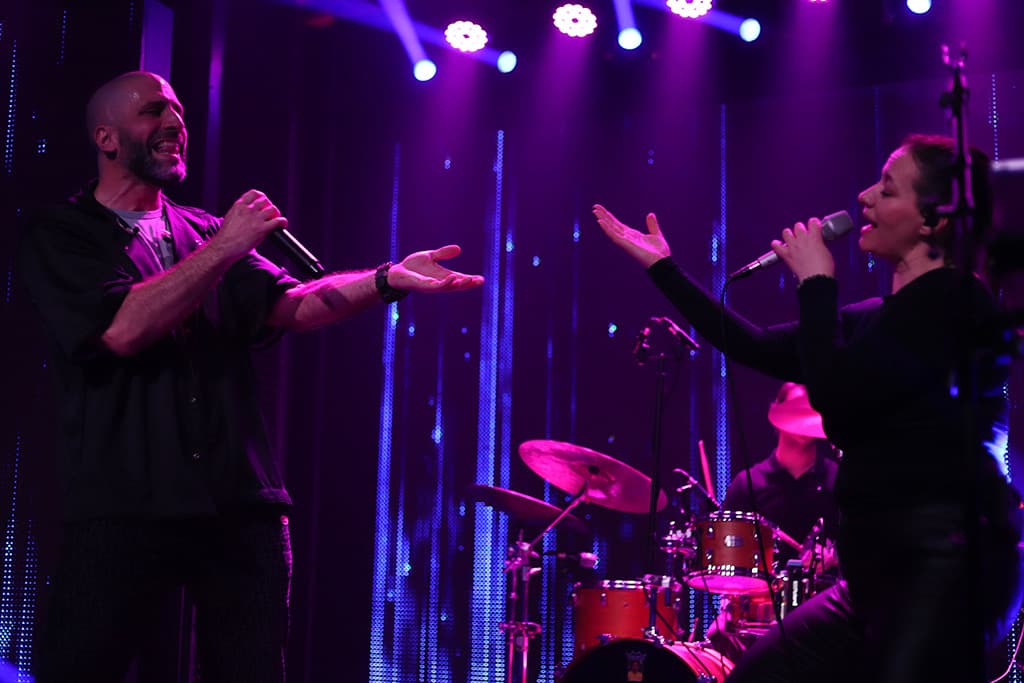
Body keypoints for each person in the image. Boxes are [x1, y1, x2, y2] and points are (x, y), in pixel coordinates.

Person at [17, 71, 483, 683]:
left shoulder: (205, 232)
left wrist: (386, 278)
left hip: (237, 503)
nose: (175, 123)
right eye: (153, 111)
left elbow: (293, 304)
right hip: (123, 502)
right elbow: (121, 330)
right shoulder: (63, 233)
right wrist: (224, 249)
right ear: (106, 137)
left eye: (179, 112)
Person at [593, 133, 1024, 683]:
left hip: (944, 571)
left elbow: (839, 399)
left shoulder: (957, 303)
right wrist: (664, 269)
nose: (865, 197)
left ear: (932, 221)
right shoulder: (877, 316)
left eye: (888, 189)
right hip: (875, 580)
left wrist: (817, 282)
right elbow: (751, 344)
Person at [706, 382, 840, 664]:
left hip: (823, 606)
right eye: (796, 407)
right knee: (717, 638)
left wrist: (833, 555)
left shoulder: (837, 480)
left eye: (811, 407)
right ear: (776, 413)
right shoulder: (748, 484)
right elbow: (726, 561)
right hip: (758, 610)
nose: (804, 414)